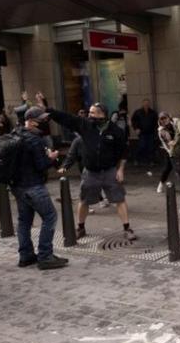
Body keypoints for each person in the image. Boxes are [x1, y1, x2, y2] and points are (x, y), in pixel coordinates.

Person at [36, 95, 135, 241]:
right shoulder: (86, 125)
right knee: (84, 201)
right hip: (90, 173)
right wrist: (48, 110)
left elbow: (124, 152)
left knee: (120, 199)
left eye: (93, 113)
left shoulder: (116, 131)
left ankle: (127, 229)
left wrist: (120, 170)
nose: (89, 115)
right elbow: (67, 118)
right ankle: (80, 227)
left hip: (109, 172)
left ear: (102, 114)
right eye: (89, 113)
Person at [11, 107, 68, 270]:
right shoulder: (34, 140)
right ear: (31, 121)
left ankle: (26, 255)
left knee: (24, 221)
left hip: (18, 186)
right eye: (41, 120)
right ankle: (45, 256)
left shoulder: (15, 133)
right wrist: (51, 158)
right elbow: (41, 165)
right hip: (33, 185)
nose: (44, 123)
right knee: (50, 216)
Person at [131, 99, 158, 166]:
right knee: (141, 146)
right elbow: (133, 121)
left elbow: (156, 123)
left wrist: (156, 131)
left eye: (147, 104)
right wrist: (136, 128)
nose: (146, 105)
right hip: (142, 132)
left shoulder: (153, 112)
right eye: (145, 104)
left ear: (149, 104)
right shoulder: (138, 112)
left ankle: (151, 161)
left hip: (150, 132)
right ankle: (136, 159)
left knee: (151, 147)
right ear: (142, 104)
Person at [156, 112, 175, 194]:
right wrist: (170, 152)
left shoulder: (174, 124)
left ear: (168, 117)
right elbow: (165, 143)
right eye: (162, 119)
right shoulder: (161, 131)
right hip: (169, 150)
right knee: (168, 168)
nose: (164, 120)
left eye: (165, 118)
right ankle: (160, 184)